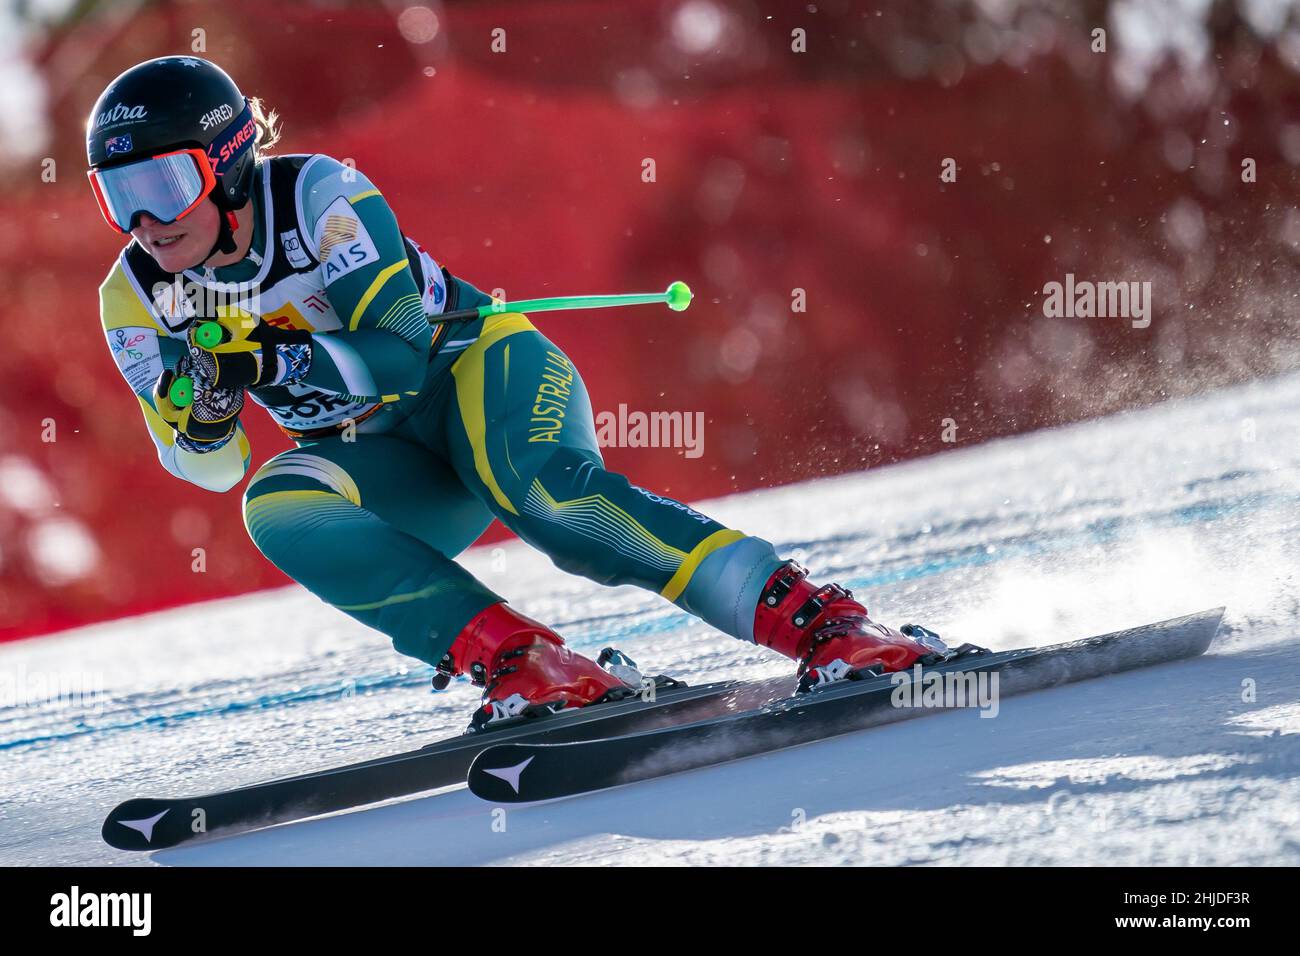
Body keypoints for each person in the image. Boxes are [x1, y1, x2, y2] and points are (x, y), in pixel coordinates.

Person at [88, 56, 947, 730]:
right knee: (275, 505)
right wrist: (204, 413)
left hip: (476, 376)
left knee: (542, 498)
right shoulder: (132, 299)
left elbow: (399, 356)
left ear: (230, 161)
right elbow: (210, 466)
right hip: (380, 459)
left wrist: (272, 364)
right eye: (117, 197)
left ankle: (820, 622)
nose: (145, 223)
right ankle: (522, 661)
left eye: (163, 186)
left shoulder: (320, 197)